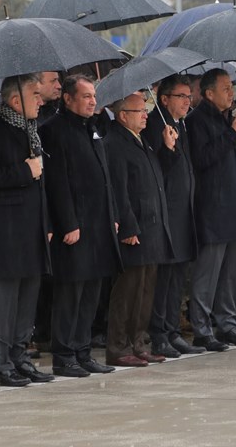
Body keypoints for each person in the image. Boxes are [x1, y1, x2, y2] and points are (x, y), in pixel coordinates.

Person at [0, 74, 54, 387]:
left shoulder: (31, 130)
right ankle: (1, 363)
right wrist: (25, 170)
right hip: (6, 231)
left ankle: (20, 355)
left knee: (28, 296)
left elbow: (41, 184)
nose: (42, 100)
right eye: (35, 94)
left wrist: (45, 222)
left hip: (32, 227)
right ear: (15, 100)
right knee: (5, 300)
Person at [38, 75, 121, 377]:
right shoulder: (53, 131)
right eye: (85, 96)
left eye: (93, 96)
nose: (92, 101)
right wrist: (68, 222)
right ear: (68, 99)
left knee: (92, 292)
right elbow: (57, 182)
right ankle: (64, 353)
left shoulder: (93, 128)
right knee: (70, 292)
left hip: (99, 223)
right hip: (74, 227)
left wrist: (112, 214)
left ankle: (83, 350)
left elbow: (105, 175)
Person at [185, 69, 236, 350]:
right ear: (209, 93)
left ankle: (228, 323)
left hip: (235, 205)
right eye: (225, 88)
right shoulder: (196, 121)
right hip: (213, 207)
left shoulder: (230, 118)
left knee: (230, 274)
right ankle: (202, 328)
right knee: (208, 273)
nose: (231, 93)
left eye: (232, 87)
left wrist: (232, 130)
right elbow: (202, 159)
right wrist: (232, 135)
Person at [104, 92, 175, 367]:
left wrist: (166, 148)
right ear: (123, 115)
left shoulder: (141, 140)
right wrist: (128, 226)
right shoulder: (115, 143)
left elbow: (155, 177)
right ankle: (118, 346)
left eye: (145, 109)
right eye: (139, 111)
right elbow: (120, 191)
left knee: (146, 290)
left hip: (153, 226)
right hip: (135, 228)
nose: (146, 114)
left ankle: (139, 342)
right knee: (128, 291)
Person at [144, 75, 202, 358]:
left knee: (178, 274)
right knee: (164, 276)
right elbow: (155, 172)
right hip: (166, 211)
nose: (187, 101)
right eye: (181, 96)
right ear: (164, 98)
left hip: (184, 209)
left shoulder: (181, 124)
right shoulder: (155, 124)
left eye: (189, 96)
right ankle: (159, 333)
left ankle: (172, 329)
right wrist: (165, 148)